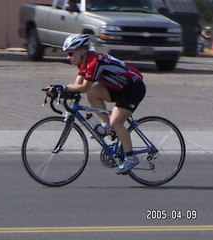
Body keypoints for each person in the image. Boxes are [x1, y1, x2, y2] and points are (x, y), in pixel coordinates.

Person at [48, 34, 146, 174]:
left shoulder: (94, 63)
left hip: (133, 88)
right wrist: (57, 88)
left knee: (116, 123)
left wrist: (62, 88)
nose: (68, 57)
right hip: (118, 87)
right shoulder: (84, 63)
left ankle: (130, 157)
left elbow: (83, 87)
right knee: (93, 93)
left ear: (81, 50)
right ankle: (106, 127)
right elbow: (77, 85)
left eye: (70, 53)